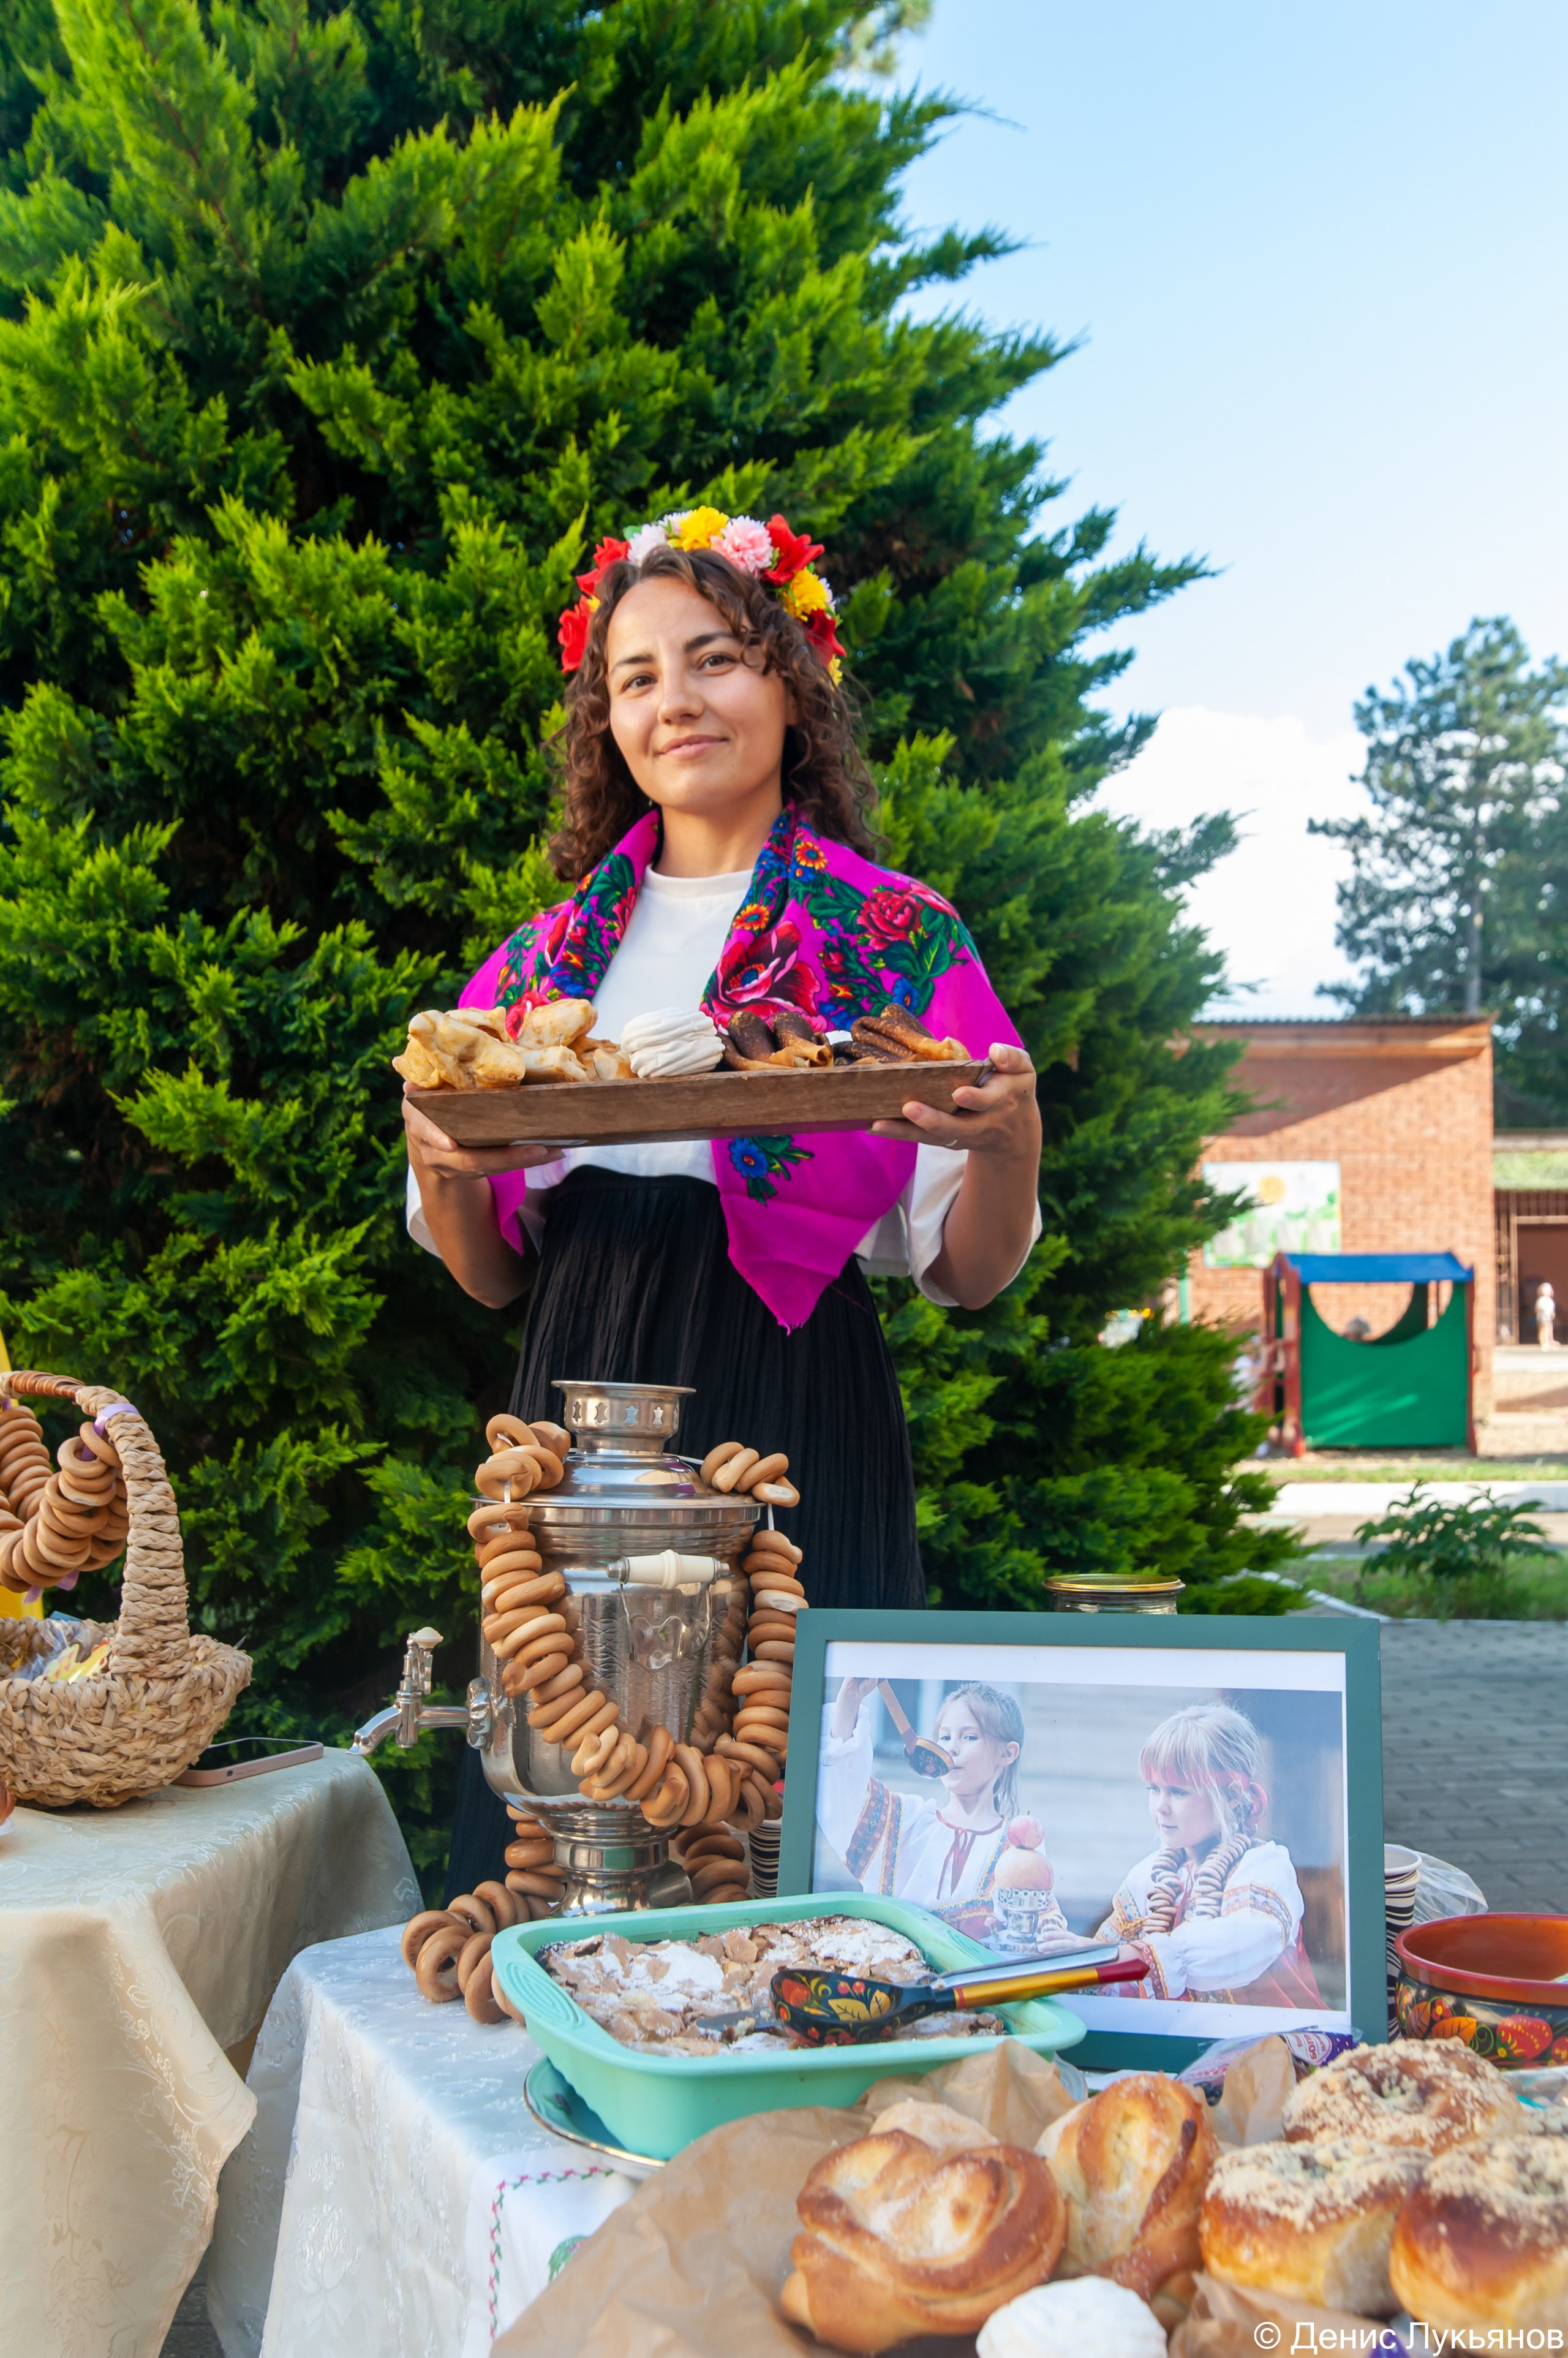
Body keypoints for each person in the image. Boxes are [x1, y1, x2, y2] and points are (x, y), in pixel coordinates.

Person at [404, 508, 1044, 1894]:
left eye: (713, 659)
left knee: (785, 1797)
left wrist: (1011, 1146)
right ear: (605, 718)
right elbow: (489, 1266)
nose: (675, 701)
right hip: (581, 1376)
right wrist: (452, 1178)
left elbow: (968, 1274)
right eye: (635, 676)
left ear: (790, 684)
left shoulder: (895, 936)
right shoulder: (537, 962)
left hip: (791, 1377)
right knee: (581, 1787)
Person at [815, 1677, 1075, 1946]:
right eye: (945, 1737)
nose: (952, 1747)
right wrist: (850, 1698)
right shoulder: (906, 1822)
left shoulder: (1016, 1847)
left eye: (970, 1737)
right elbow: (841, 1795)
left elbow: (1040, 1933)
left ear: (1007, 1754)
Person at [1098, 1702, 1323, 2008]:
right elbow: (1107, 1953)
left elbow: (1245, 1941)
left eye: (1178, 1792)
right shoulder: (1147, 1876)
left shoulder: (1264, 1868)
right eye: (1154, 1789)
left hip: (1260, 2046)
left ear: (1231, 1795)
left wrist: (1144, 1958)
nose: (1161, 1806)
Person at [1536, 1280, 1557, 1350]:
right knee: (1543, 1330)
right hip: (1542, 1317)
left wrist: (1552, 1314)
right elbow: (1537, 1309)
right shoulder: (1541, 1300)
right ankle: (1543, 1343)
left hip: (1548, 1318)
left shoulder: (1550, 1300)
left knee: (1549, 1329)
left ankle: (1549, 1342)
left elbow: (1552, 1309)